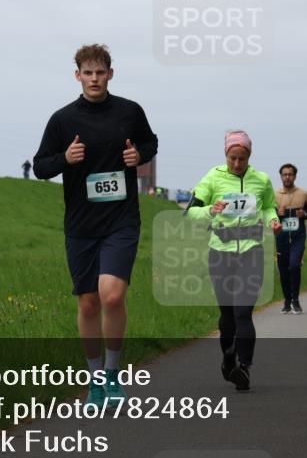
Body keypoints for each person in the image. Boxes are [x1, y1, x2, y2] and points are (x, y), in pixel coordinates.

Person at [32, 44, 158, 407]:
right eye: (87, 73)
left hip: (121, 220)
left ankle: (113, 376)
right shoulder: (62, 119)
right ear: (77, 76)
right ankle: (94, 382)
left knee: (112, 295)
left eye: (100, 72)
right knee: (88, 304)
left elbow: (150, 142)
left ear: (110, 74)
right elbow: (41, 167)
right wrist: (64, 158)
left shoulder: (129, 112)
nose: (94, 79)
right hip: (81, 224)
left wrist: (140, 156)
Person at [185, 130, 280, 392]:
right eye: (232, 158)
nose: (237, 164)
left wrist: (273, 220)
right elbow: (190, 213)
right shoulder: (213, 177)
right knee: (227, 313)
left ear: (250, 156)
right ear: (225, 155)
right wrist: (209, 210)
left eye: (242, 158)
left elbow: (270, 206)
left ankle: (244, 367)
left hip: (252, 251)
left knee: (243, 311)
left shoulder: (261, 180)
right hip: (221, 251)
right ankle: (229, 358)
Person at [274, 163, 307, 314]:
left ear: (295, 176)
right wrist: (278, 213)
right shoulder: (275, 195)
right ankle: (286, 300)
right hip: (281, 237)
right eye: (285, 174)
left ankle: (295, 300)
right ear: (281, 176)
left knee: (294, 266)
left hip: (298, 236)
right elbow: (270, 215)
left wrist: (304, 214)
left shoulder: (304, 193)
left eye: (290, 174)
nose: (287, 177)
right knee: (283, 271)